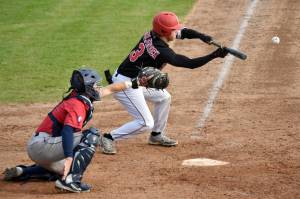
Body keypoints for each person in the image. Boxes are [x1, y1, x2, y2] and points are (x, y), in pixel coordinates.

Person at [100, 11, 229, 155]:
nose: (177, 31)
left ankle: (156, 135)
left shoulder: (154, 34)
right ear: (165, 32)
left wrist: (202, 37)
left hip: (136, 80)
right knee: (145, 123)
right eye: (174, 29)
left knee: (164, 98)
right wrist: (214, 55)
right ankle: (108, 137)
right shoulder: (162, 50)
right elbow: (189, 63)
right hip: (126, 84)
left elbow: (184, 32)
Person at [3, 67, 139, 193]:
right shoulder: (77, 104)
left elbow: (111, 89)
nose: (99, 87)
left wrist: (135, 82)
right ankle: (71, 181)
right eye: (96, 85)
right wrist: (69, 157)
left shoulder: (80, 95)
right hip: (43, 146)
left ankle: (23, 172)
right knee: (91, 135)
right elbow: (68, 131)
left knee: (64, 169)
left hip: (43, 145)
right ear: (88, 88)